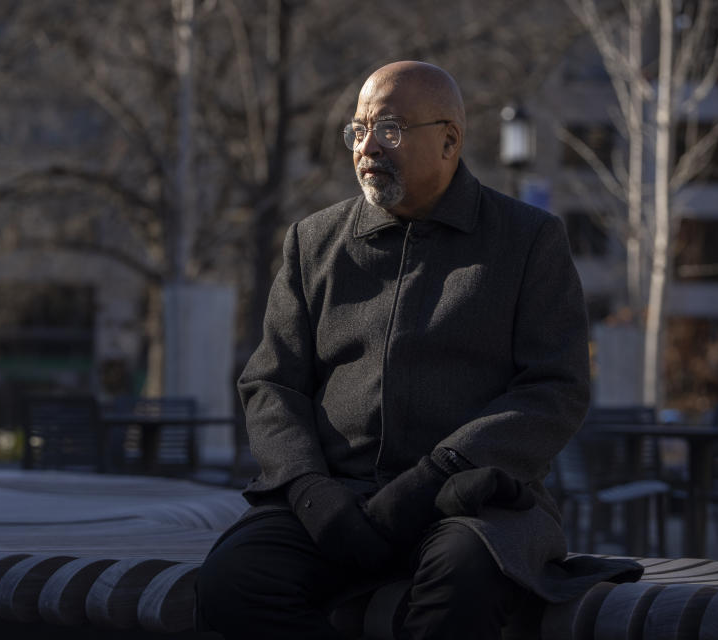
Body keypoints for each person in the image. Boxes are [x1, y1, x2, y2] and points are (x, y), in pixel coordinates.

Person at [196, 61, 641, 639]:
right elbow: (271, 384)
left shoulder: (528, 239)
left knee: (465, 580)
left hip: (471, 500)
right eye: (358, 130)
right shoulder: (314, 241)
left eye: (389, 129)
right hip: (334, 500)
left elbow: (555, 389)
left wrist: (438, 473)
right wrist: (309, 493)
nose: (367, 147)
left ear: (450, 140)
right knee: (234, 582)